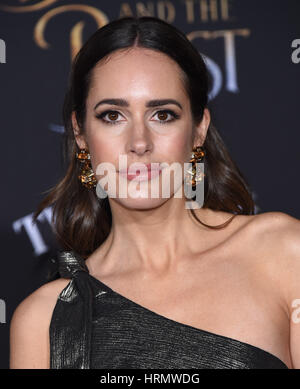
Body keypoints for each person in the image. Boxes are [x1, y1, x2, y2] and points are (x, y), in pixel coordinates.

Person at [9, 16, 300, 369]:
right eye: (112, 115)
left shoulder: (282, 254)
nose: (139, 143)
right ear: (81, 133)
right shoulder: (44, 319)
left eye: (162, 114)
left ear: (198, 129)